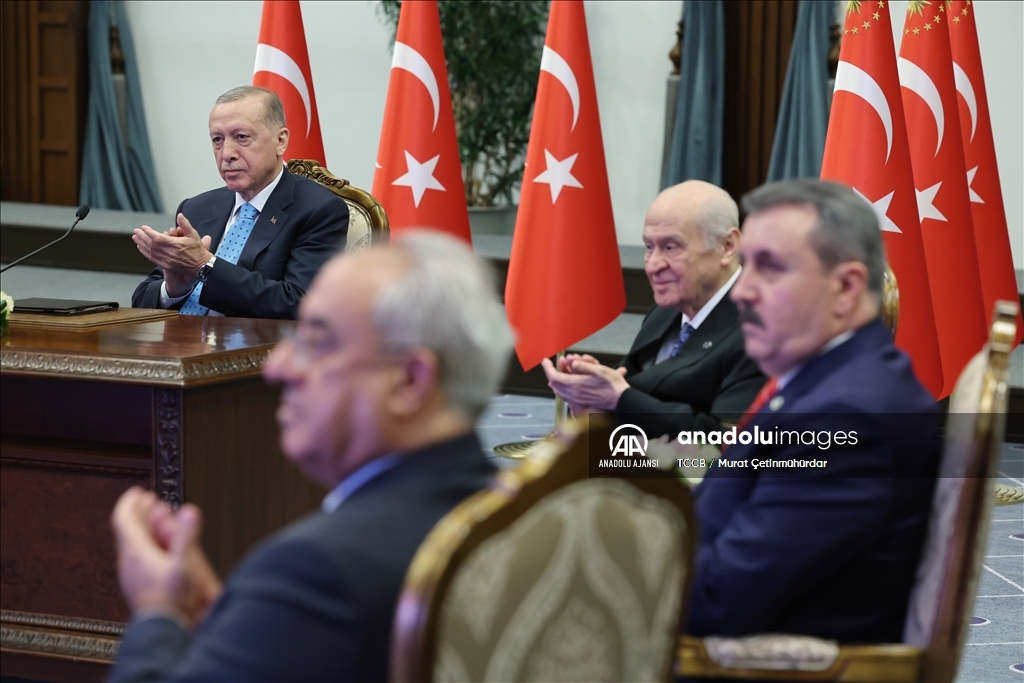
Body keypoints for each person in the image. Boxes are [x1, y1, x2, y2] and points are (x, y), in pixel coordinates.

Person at [109, 231, 513, 682]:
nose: (278, 367)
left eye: (316, 342)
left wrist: (159, 612)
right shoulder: (515, 511)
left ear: (411, 382)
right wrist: (239, 618)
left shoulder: (317, 571)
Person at [687, 179, 941, 642]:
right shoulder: (830, 380)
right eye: (745, 266)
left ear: (845, 287)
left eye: (770, 268)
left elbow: (716, 599)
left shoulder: (846, 418)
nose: (742, 292)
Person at [542, 180, 765, 437]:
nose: (653, 265)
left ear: (727, 246)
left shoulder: (760, 329)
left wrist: (619, 398)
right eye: (649, 247)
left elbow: (724, 441)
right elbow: (635, 388)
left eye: (671, 247)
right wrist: (592, 396)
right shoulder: (666, 311)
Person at [131, 86, 348, 319]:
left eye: (241, 137)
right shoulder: (196, 208)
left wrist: (205, 265)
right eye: (217, 140)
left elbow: (299, 304)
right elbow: (141, 301)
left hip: (251, 341)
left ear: (280, 141)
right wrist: (173, 289)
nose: (226, 154)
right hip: (179, 338)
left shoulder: (318, 210)